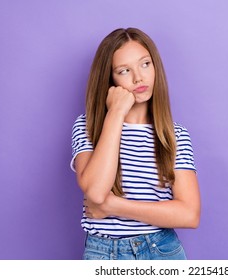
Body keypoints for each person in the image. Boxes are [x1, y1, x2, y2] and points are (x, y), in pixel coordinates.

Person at [70, 27, 200, 260]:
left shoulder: (174, 134)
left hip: (161, 250)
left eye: (145, 64)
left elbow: (189, 214)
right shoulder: (87, 127)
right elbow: (96, 191)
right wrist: (116, 113)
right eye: (124, 70)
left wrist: (113, 206)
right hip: (103, 253)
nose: (139, 77)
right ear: (109, 79)